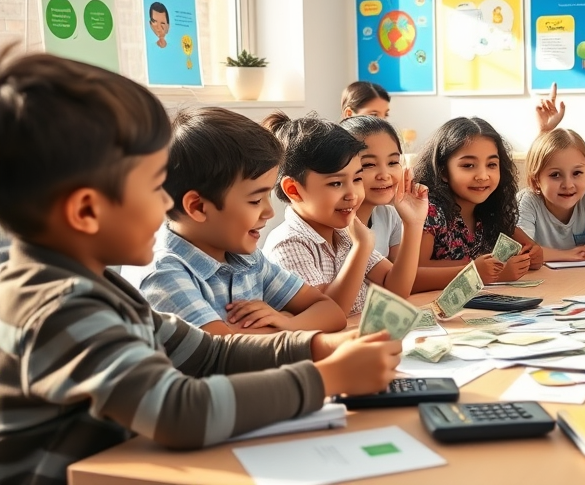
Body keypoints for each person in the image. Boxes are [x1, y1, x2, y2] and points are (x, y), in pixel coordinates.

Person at [0, 51, 400, 483]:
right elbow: (178, 409)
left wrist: (321, 346)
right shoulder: (59, 306)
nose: (166, 204)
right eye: (155, 188)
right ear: (85, 211)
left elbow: (208, 352)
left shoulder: (98, 286)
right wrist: (327, 377)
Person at [139, 107, 346, 334]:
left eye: (268, 196)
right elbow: (223, 349)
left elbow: (332, 313)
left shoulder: (248, 259)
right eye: (256, 200)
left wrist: (287, 322)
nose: (269, 212)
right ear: (198, 207)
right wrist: (286, 326)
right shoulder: (164, 274)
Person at [262, 113, 427, 316]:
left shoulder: (343, 233)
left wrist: (413, 224)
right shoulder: (288, 245)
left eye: (357, 179)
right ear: (293, 190)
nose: (353, 195)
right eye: (336, 183)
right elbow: (328, 314)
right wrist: (361, 248)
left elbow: (396, 289)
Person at [413, 117, 543, 290]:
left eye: (491, 164)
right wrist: (481, 273)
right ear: (443, 171)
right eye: (468, 165)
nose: (483, 176)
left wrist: (534, 255)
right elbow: (413, 273)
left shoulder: (493, 209)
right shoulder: (428, 211)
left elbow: (530, 247)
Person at [517, 128, 585, 261]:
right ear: (536, 180)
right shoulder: (528, 201)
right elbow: (521, 251)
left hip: (580, 274)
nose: (568, 185)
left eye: (577, 173)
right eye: (555, 175)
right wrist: (568, 255)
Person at [339, 115, 408, 261]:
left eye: (393, 162)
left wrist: (413, 223)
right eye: (369, 164)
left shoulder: (390, 216)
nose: (385, 175)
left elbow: (400, 273)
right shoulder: (334, 225)